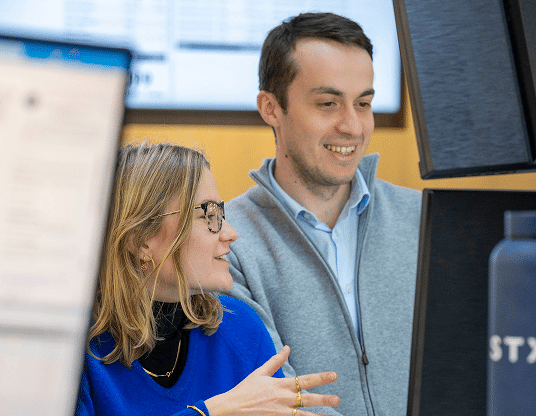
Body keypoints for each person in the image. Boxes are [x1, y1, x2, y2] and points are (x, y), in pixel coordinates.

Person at [224, 12, 422, 416]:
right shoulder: (227, 242)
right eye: (328, 104)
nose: (353, 126)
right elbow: (276, 398)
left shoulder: (422, 218)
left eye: (363, 103)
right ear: (271, 108)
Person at [76, 142, 341, 416]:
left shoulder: (241, 327)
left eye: (221, 214)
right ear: (141, 238)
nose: (231, 233)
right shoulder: (72, 354)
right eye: (208, 215)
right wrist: (211, 412)